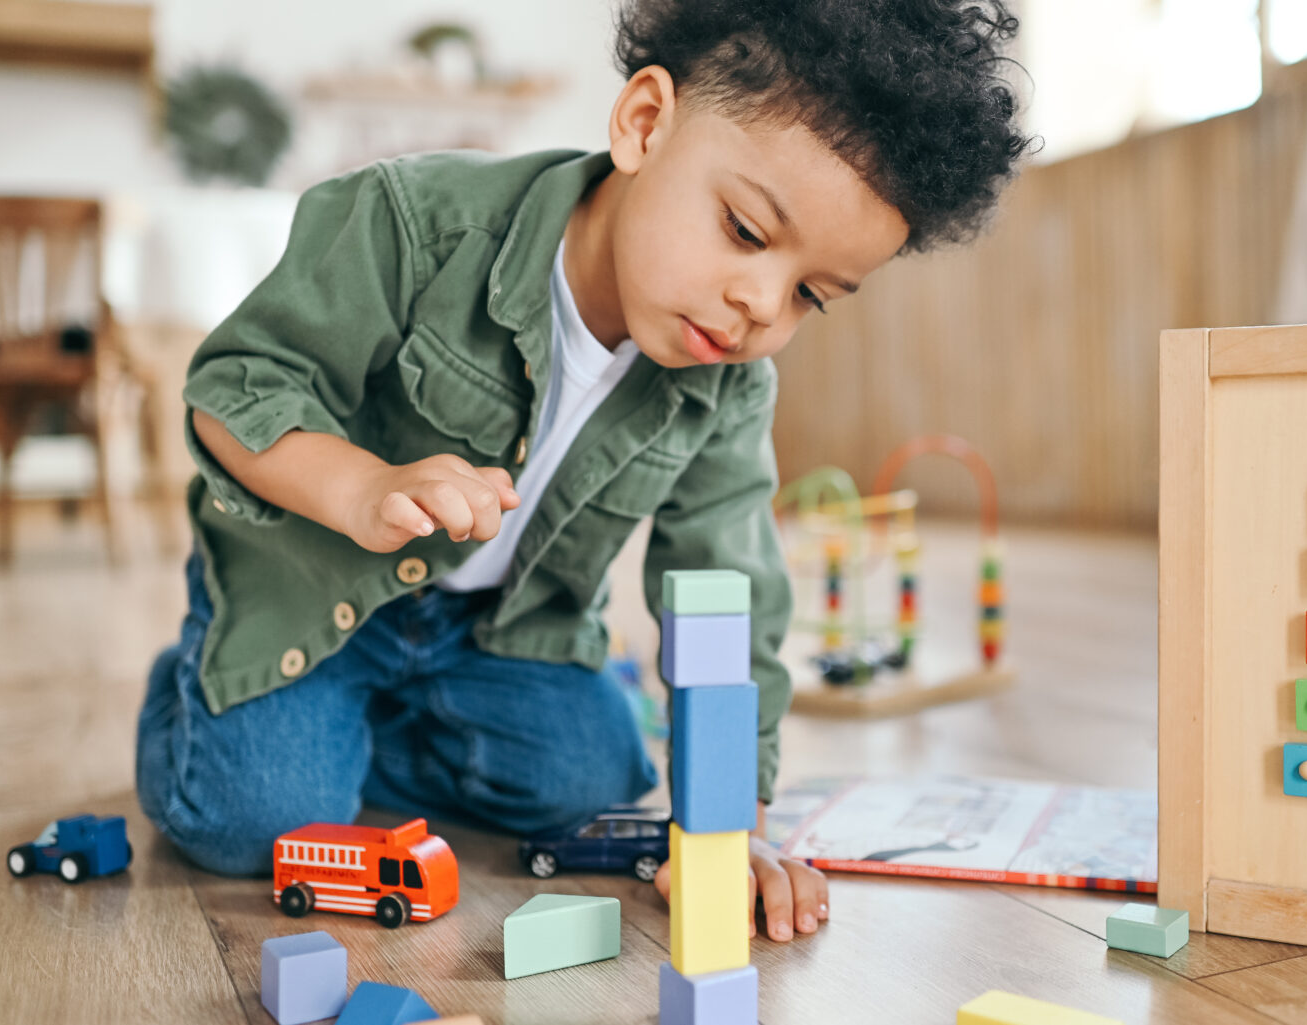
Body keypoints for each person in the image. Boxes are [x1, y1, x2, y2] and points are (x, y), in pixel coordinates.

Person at [135, 0, 1032, 944]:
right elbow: (234, 388)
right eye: (743, 229)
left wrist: (727, 832)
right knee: (249, 822)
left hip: (496, 636)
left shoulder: (728, 387)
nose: (761, 305)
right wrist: (359, 487)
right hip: (316, 600)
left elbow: (731, 595)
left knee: (594, 784)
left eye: (812, 293)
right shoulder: (411, 221)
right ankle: (207, 679)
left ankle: (369, 729)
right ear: (645, 123)